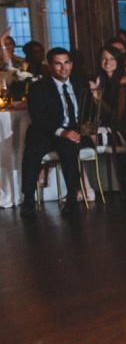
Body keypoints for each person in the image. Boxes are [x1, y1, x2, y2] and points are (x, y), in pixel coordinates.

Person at [18, 48, 92, 217]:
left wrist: (81, 132)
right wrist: (62, 132)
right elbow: (38, 117)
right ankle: (28, 198)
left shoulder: (81, 83)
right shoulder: (38, 87)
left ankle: (72, 198)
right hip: (46, 131)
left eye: (66, 62)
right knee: (33, 150)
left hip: (72, 132)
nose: (63, 67)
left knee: (68, 149)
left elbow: (89, 112)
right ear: (50, 66)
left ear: (71, 64)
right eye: (58, 63)